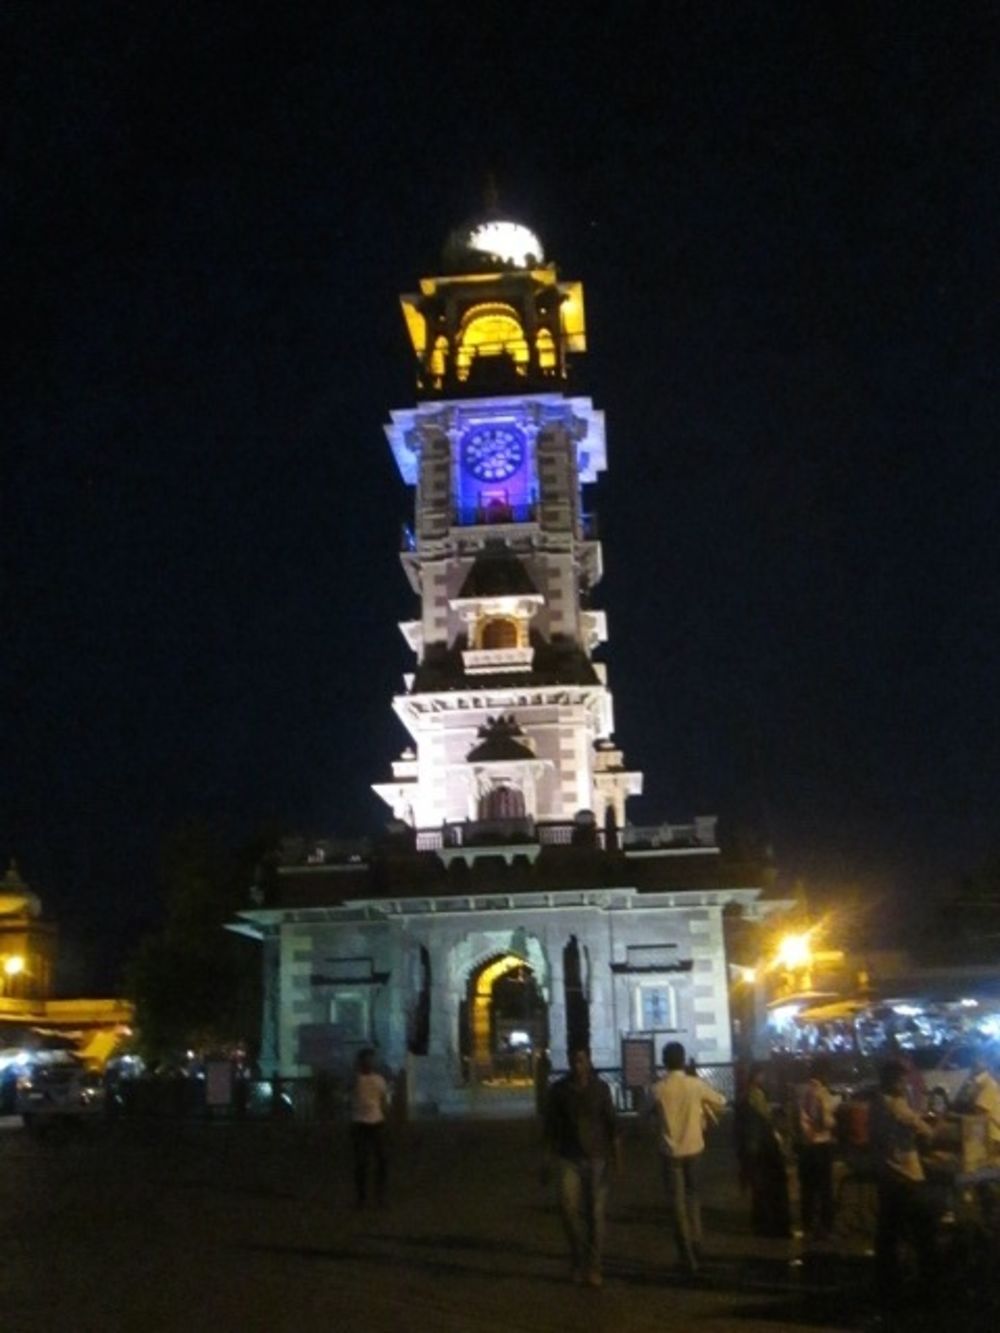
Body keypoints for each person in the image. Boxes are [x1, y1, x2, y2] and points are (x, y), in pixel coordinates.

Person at [542, 1045, 620, 1287]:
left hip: (597, 1157)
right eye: (574, 1060)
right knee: (567, 1210)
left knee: (595, 1215)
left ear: (588, 1061)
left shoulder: (601, 1088)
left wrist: (618, 1159)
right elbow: (550, 1128)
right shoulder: (558, 1091)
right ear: (568, 1062)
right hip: (568, 1157)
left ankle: (594, 1265)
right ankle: (577, 1256)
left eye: (581, 1060)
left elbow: (612, 1125)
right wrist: (545, 1159)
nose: (577, 1065)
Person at [650, 1041, 726, 1275]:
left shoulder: (658, 1089)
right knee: (694, 1197)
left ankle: (686, 1254)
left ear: (665, 1061)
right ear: (683, 1060)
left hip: (671, 1151)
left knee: (677, 1204)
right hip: (695, 1147)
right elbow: (721, 1101)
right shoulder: (695, 1085)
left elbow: (643, 1112)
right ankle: (697, 1241)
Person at [869, 1059, 937, 1309]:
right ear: (893, 1081)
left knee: (888, 1234)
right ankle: (926, 1287)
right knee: (923, 1234)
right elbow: (926, 1131)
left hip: (887, 1177)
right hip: (906, 1179)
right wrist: (932, 1126)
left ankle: (887, 1283)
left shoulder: (876, 1105)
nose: (904, 1083)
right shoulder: (896, 1106)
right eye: (901, 1079)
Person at [735, 1064, 791, 1238]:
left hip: (752, 1149)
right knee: (767, 1186)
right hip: (760, 1148)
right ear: (757, 1076)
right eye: (763, 1075)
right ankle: (767, 1223)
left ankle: (760, 1222)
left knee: (759, 1187)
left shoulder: (745, 1095)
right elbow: (764, 1116)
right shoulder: (755, 1095)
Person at [796, 1056, 839, 1242]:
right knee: (825, 1189)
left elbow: (801, 1119)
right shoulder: (823, 1094)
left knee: (808, 1189)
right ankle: (826, 1228)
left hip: (806, 1146)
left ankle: (807, 1226)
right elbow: (826, 1122)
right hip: (821, 1145)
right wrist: (833, 1121)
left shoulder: (803, 1093)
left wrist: (807, 1132)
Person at [350, 1048, 389, 1209]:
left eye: (371, 1060)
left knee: (380, 1160)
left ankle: (378, 1195)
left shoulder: (378, 1079)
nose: (370, 1063)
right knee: (362, 1162)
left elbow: (384, 1099)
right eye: (367, 1060)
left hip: (375, 1121)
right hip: (361, 1123)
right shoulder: (356, 1079)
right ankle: (363, 1197)